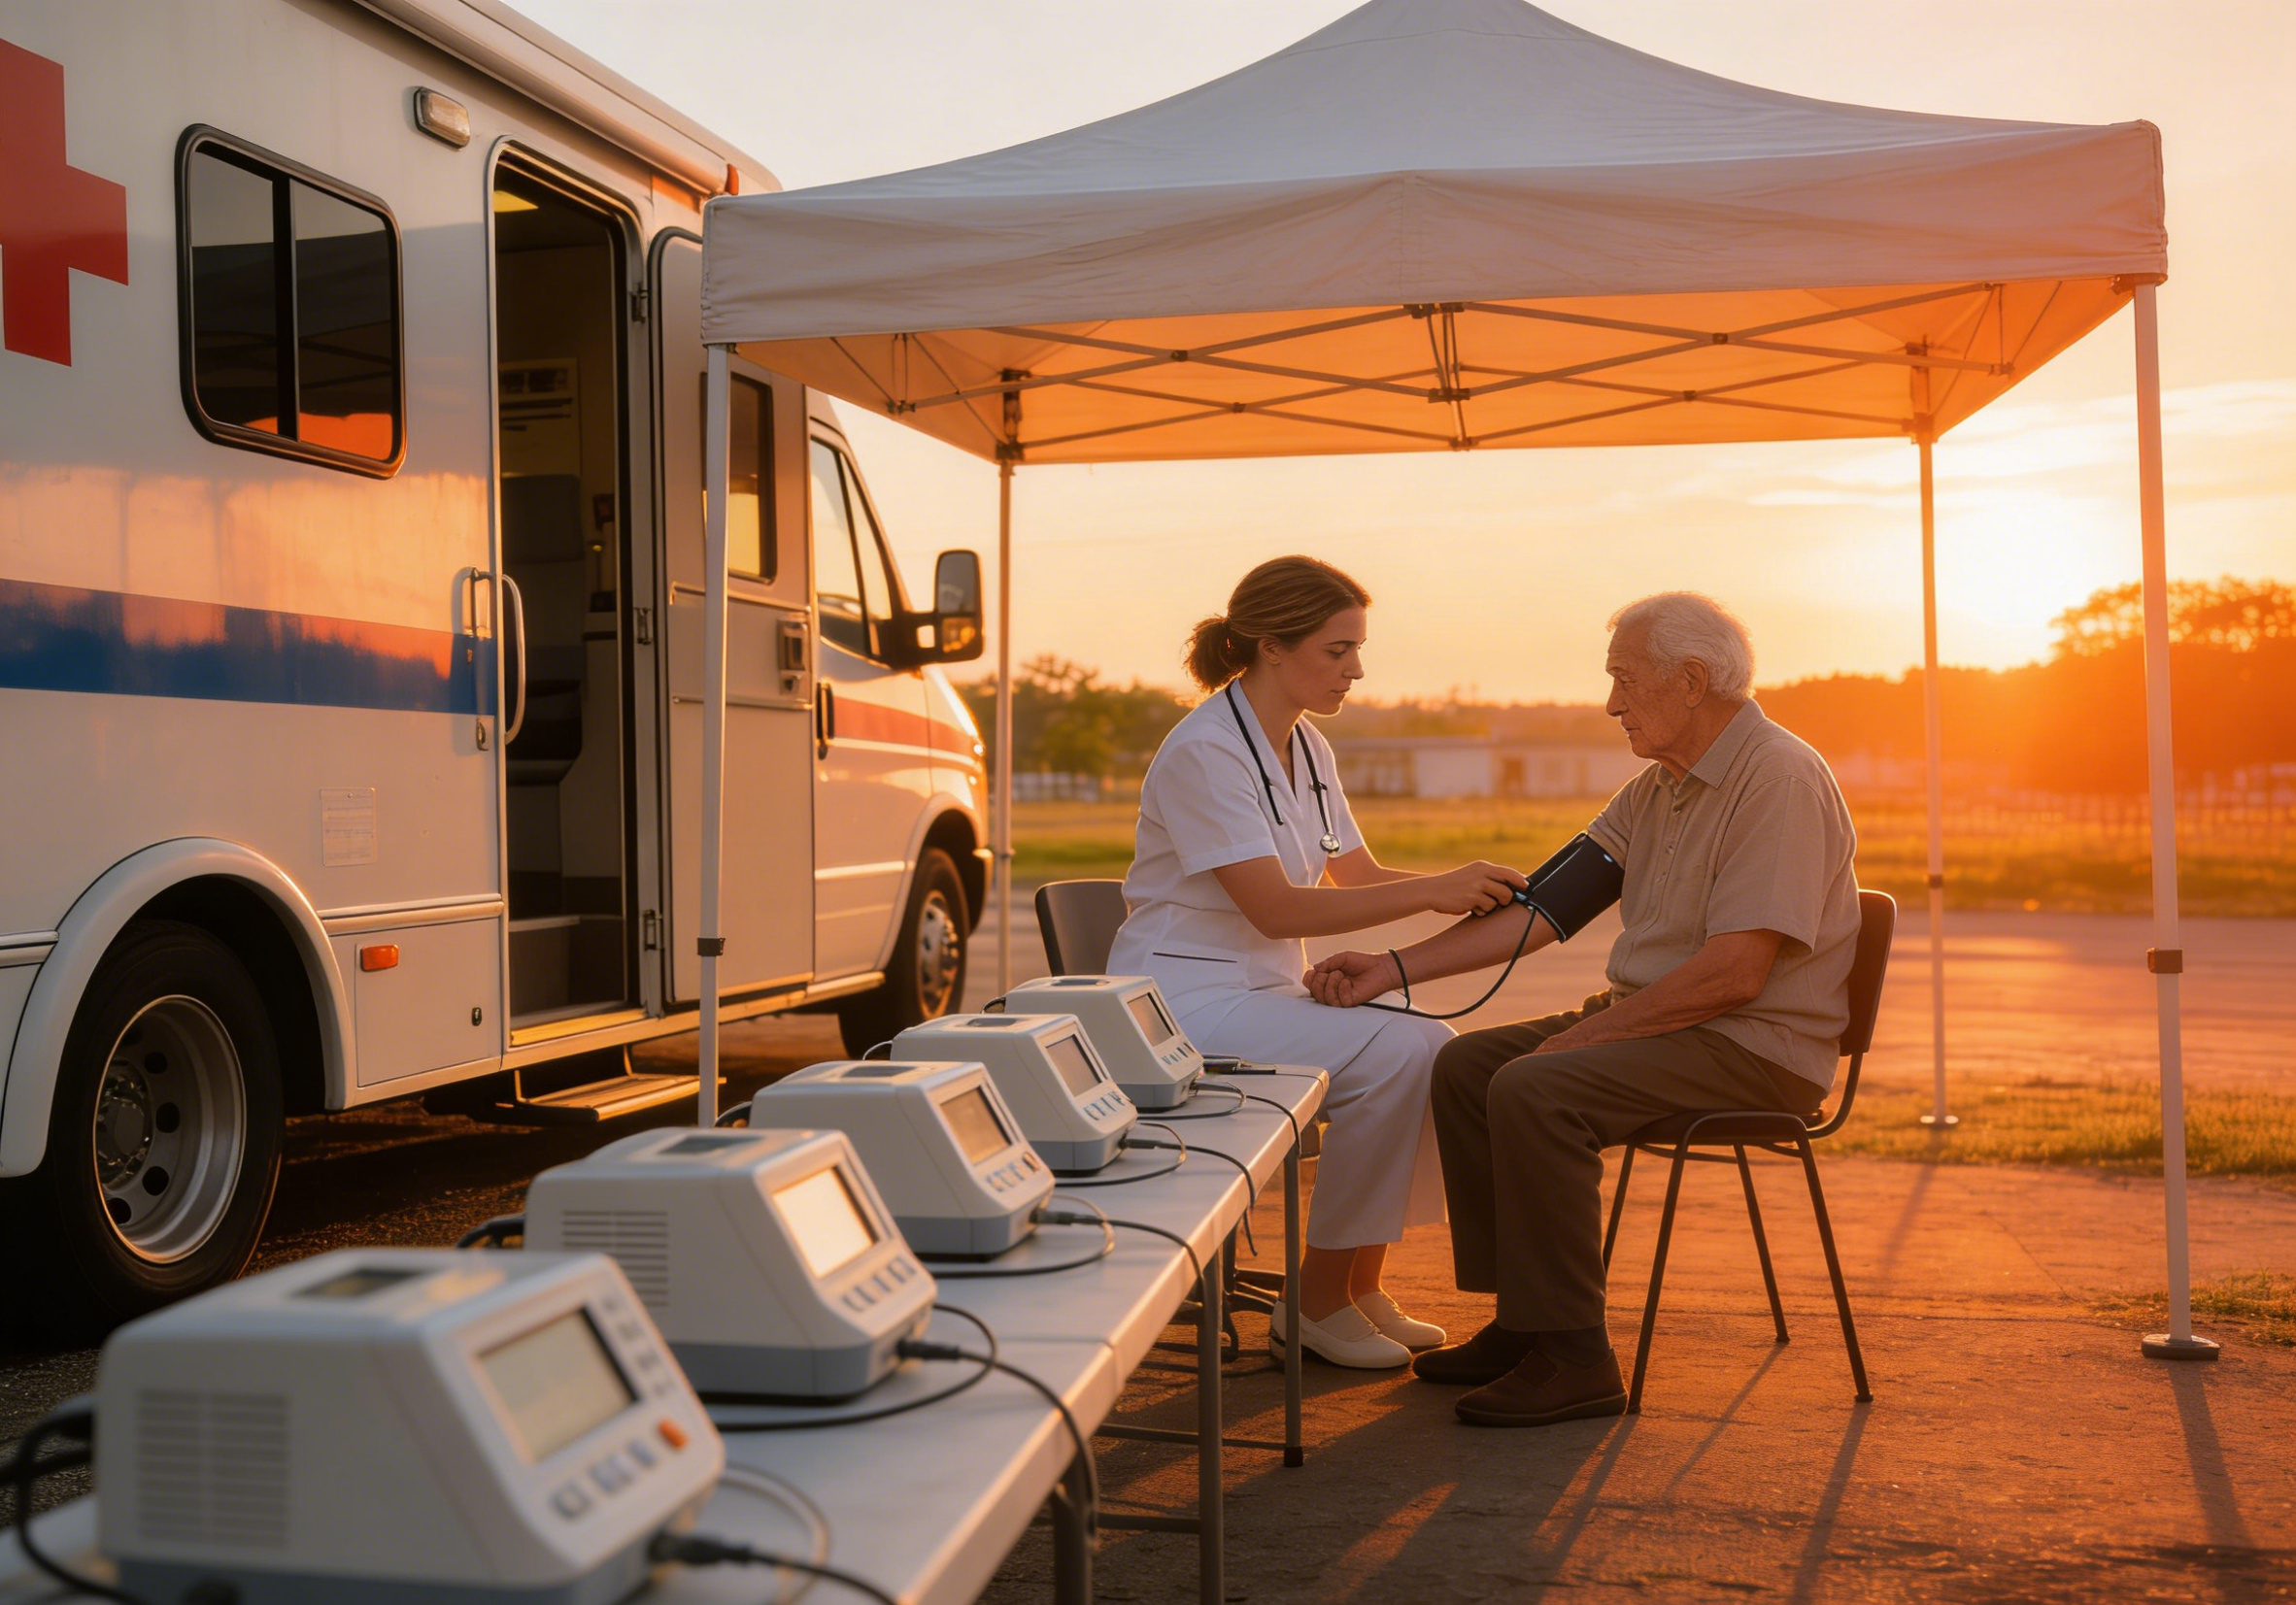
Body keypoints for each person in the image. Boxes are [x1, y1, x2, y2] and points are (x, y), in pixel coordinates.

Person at [1308, 592, 1859, 1424]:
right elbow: (1541, 910)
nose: (1611, 705)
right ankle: (1527, 1323)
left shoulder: (1777, 777)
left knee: (1535, 1086)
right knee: (1466, 1067)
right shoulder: (1657, 790)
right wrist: (1390, 967)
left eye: (1624, 682)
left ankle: (1576, 1356)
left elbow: (1736, 974)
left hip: (1756, 1045)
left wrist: (1580, 1040)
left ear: (1692, 679)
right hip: (1674, 1024)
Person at [1109, 556, 1528, 1369]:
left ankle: (1355, 1284)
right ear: (1270, 644)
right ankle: (1318, 1302)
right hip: (1178, 1004)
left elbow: (1356, 876)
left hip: (1253, 990)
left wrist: (1468, 886)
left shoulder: (1306, 745)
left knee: (1434, 1047)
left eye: (1357, 649)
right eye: (1338, 650)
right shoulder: (1204, 751)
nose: (1357, 668)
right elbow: (1277, 907)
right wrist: (1434, 890)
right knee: (1402, 1046)